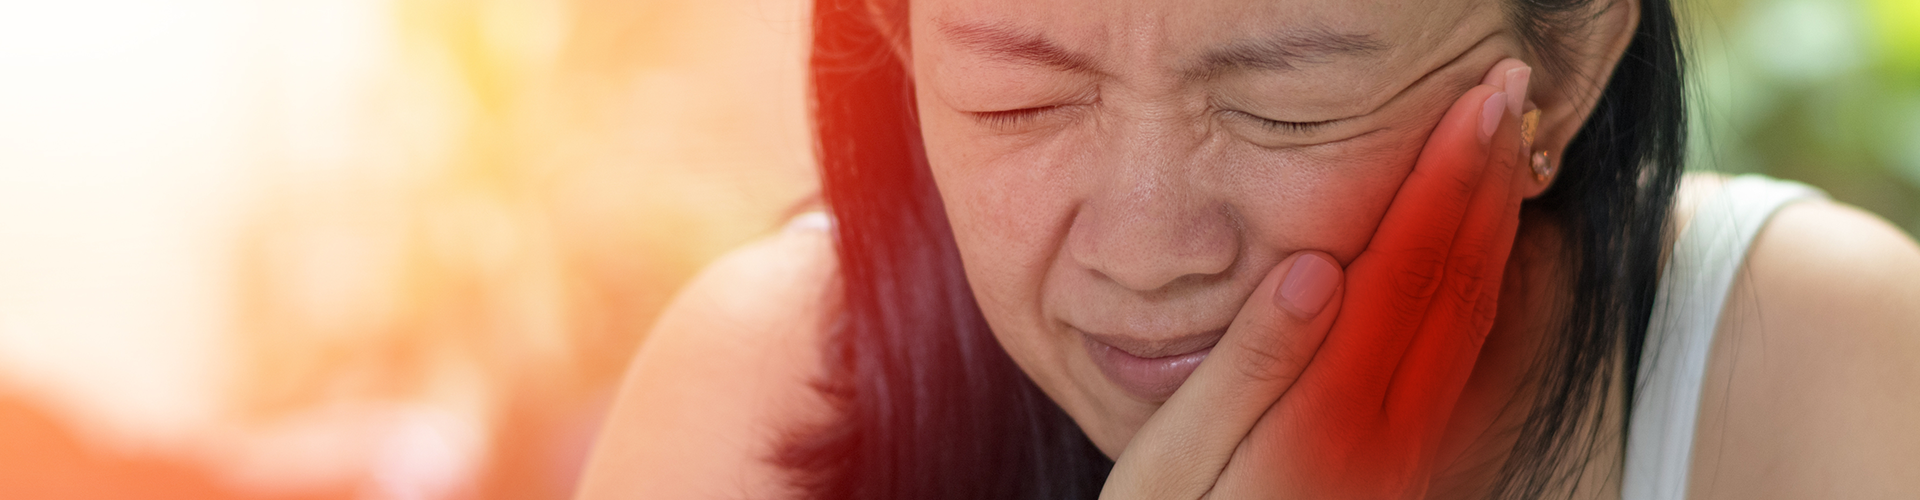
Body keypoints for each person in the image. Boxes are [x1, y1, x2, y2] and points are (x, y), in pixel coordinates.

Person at [575, 0, 1920, 497]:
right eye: (1020, 98)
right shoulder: (753, 400)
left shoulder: (1824, 378)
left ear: (1561, 67)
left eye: (1287, 103)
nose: (1149, 249)